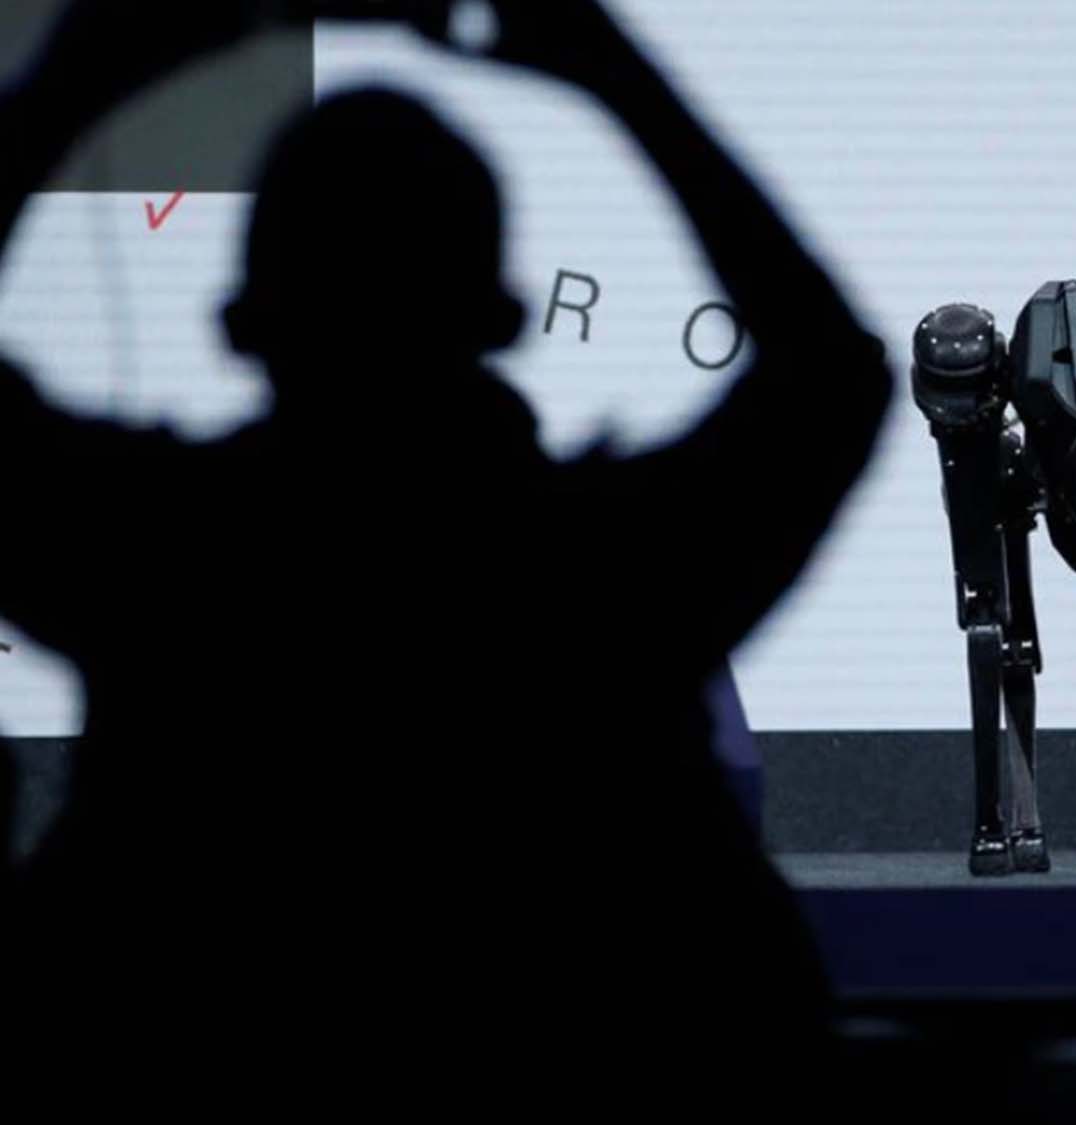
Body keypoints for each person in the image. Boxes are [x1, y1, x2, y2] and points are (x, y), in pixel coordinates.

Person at [0, 0, 889, 1089]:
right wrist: (606, 67)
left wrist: (79, 75)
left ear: (245, 321)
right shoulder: (607, 574)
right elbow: (829, 375)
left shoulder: (156, 561)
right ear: (500, 314)